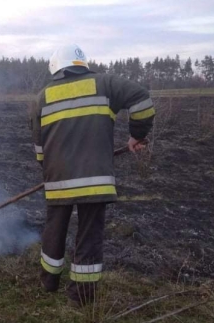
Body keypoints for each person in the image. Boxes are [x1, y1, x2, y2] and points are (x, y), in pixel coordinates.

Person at [29, 44, 155, 306]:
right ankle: (81, 296)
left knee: (54, 228)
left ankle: (48, 282)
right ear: (82, 64)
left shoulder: (42, 97)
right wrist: (138, 135)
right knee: (89, 234)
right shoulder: (106, 83)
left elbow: (39, 148)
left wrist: (48, 168)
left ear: (56, 67)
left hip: (58, 178)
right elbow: (142, 99)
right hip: (94, 181)